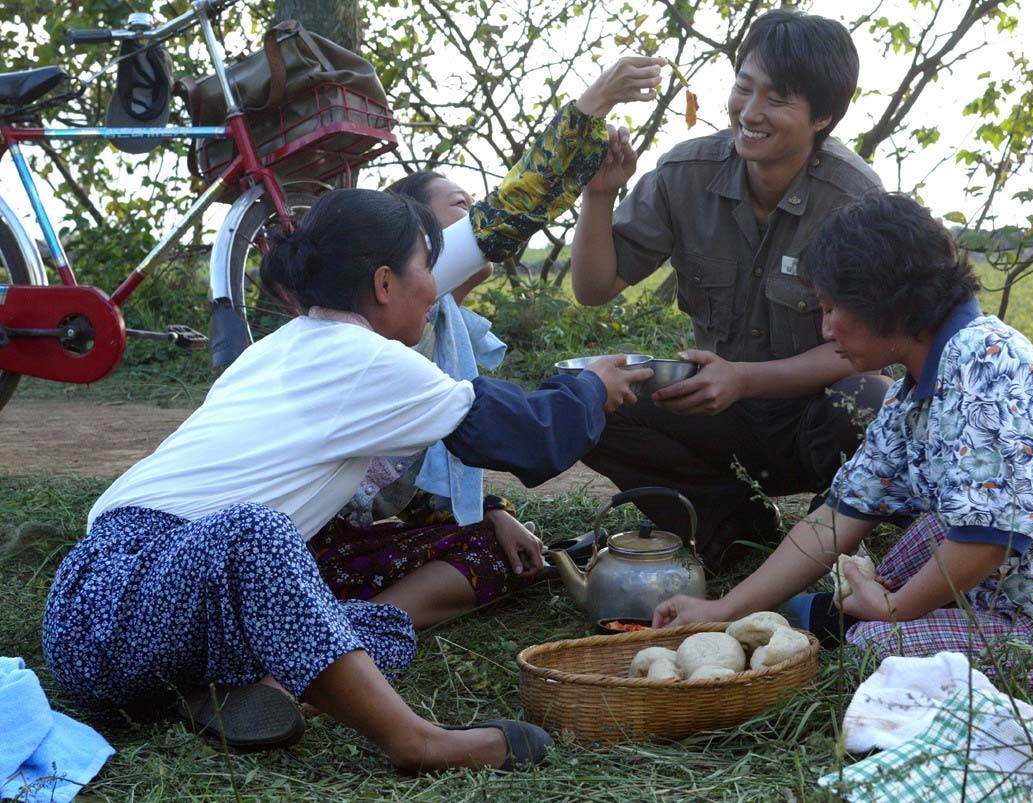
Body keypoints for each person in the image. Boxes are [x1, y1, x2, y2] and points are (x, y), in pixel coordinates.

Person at [41, 58, 661, 773]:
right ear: (385, 282)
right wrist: (589, 386)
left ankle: (246, 691)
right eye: (427, 265)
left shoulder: (297, 345)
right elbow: (521, 435)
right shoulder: (359, 357)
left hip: (174, 618)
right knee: (258, 530)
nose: (435, 286)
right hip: (112, 596)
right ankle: (418, 742)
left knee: (379, 628)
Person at [652, 193, 1033, 720]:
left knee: (873, 647)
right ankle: (857, 616)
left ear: (887, 302)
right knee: (935, 531)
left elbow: (988, 540)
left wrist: (894, 610)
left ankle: (857, 624)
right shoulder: (915, 391)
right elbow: (836, 517)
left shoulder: (984, 363)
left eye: (833, 307)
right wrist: (726, 609)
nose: (825, 328)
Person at [570, 9, 890, 569]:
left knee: (870, 400)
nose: (750, 111)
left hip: (809, 417)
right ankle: (731, 526)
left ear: (823, 117)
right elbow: (594, 287)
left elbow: (864, 351)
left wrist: (744, 378)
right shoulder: (684, 174)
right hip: (718, 414)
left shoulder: (855, 199)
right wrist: (598, 195)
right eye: (744, 87)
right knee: (585, 401)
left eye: (777, 99)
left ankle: (830, 539)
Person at [309, 172, 533, 624]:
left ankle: (342, 626)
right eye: (461, 205)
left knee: (499, 548)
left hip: (329, 535)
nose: (477, 219)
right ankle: (350, 633)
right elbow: (518, 434)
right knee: (489, 556)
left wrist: (492, 512)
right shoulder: (390, 336)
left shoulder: (441, 329)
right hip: (305, 543)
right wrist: (593, 391)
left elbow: (410, 478)